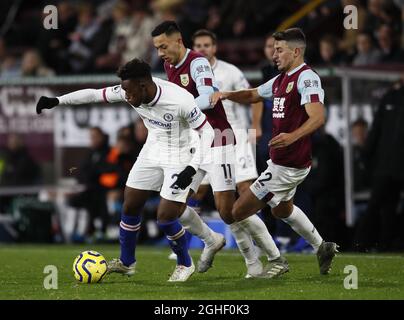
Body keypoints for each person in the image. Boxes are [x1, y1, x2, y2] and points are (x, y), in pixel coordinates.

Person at [36, 58, 216, 282]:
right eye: (124, 91)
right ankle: (127, 262)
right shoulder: (129, 90)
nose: (127, 96)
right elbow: (93, 94)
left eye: (129, 92)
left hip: (182, 154)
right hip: (153, 149)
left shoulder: (180, 100)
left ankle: (184, 263)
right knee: (130, 203)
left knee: (166, 216)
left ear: (143, 85)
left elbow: (208, 133)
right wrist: (57, 100)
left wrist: (191, 168)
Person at [152, 20, 288, 278]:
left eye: (163, 46)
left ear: (178, 41)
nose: (160, 53)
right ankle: (211, 239)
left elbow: (208, 96)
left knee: (229, 211)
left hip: (218, 139)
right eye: (157, 48)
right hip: (193, 145)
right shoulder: (170, 66)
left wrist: (180, 109)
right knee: (173, 205)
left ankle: (269, 258)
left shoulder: (198, 63)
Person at [211, 28, 338, 275]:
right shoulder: (281, 79)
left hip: (289, 165)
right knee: (281, 210)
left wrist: (292, 136)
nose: (274, 54)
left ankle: (276, 260)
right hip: (281, 162)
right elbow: (253, 94)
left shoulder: (306, 78)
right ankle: (322, 246)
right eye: (273, 49)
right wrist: (226, 94)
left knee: (236, 212)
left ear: (296, 51)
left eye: (279, 50)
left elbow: (318, 116)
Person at [190, 29, 260, 215]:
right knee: (196, 191)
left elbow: (254, 96)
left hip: (233, 134)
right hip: (204, 137)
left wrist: (256, 125)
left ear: (214, 48)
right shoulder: (189, 73)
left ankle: (257, 240)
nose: (202, 49)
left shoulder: (230, 72)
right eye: (198, 46)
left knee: (245, 187)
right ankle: (188, 240)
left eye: (206, 45)